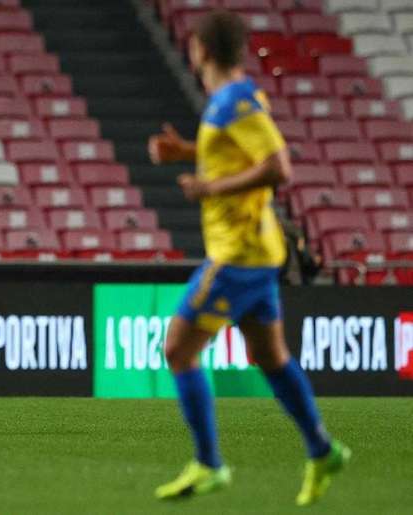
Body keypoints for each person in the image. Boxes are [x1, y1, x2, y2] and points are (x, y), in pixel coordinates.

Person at [148, 10, 350, 506]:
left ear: (202, 50)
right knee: (270, 357)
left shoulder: (236, 99)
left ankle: (209, 464)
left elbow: (280, 168)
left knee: (177, 348)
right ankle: (323, 450)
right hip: (259, 252)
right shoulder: (228, 102)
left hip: (237, 254)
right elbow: (236, 153)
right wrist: (187, 152)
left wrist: (210, 185)